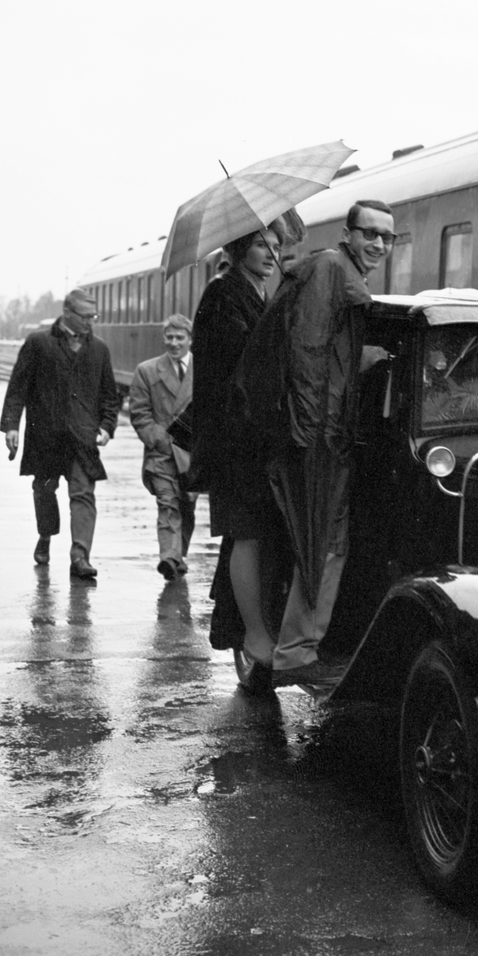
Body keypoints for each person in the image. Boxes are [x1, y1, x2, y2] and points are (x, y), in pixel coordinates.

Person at [238, 199, 393, 688]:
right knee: (321, 543)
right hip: (319, 438)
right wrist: (312, 438)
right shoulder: (330, 268)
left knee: (327, 543)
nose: (379, 244)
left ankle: (298, 646)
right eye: (370, 233)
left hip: (326, 434)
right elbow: (307, 353)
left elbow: (333, 352)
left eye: (387, 237)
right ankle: (297, 651)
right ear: (349, 234)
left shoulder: (342, 271)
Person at [190, 219, 290, 693]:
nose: (272, 253)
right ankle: (254, 635)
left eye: (277, 245)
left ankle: (254, 626)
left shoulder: (255, 292)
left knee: (254, 535)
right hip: (234, 441)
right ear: (238, 248)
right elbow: (241, 365)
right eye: (261, 244)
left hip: (252, 438)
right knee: (246, 534)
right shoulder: (223, 295)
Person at [0, 288, 119, 579]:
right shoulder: (39, 343)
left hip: (83, 438)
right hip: (46, 436)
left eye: (93, 316)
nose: (90, 321)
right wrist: (12, 426)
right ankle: (45, 535)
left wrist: (106, 427)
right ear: (67, 312)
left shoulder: (99, 349)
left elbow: (109, 395)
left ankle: (80, 555)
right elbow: (18, 388)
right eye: (85, 316)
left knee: (83, 494)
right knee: (44, 489)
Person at [129, 314, 197, 581]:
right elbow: (140, 414)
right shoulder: (147, 371)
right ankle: (169, 557)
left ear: (190, 340)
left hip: (192, 454)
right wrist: (160, 439)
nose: (174, 343)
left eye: (180, 338)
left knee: (187, 505)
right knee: (168, 503)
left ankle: (178, 554)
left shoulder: (204, 370)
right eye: (169, 337)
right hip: (161, 454)